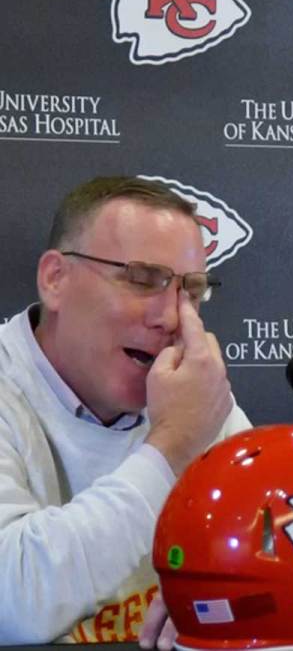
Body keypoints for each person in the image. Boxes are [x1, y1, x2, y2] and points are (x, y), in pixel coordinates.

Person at [0, 177, 251, 643]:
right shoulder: (186, 418)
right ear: (55, 279)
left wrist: (226, 598)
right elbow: (12, 602)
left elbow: (273, 546)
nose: (171, 318)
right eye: (142, 279)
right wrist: (173, 445)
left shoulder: (191, 394)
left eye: (191, 291)